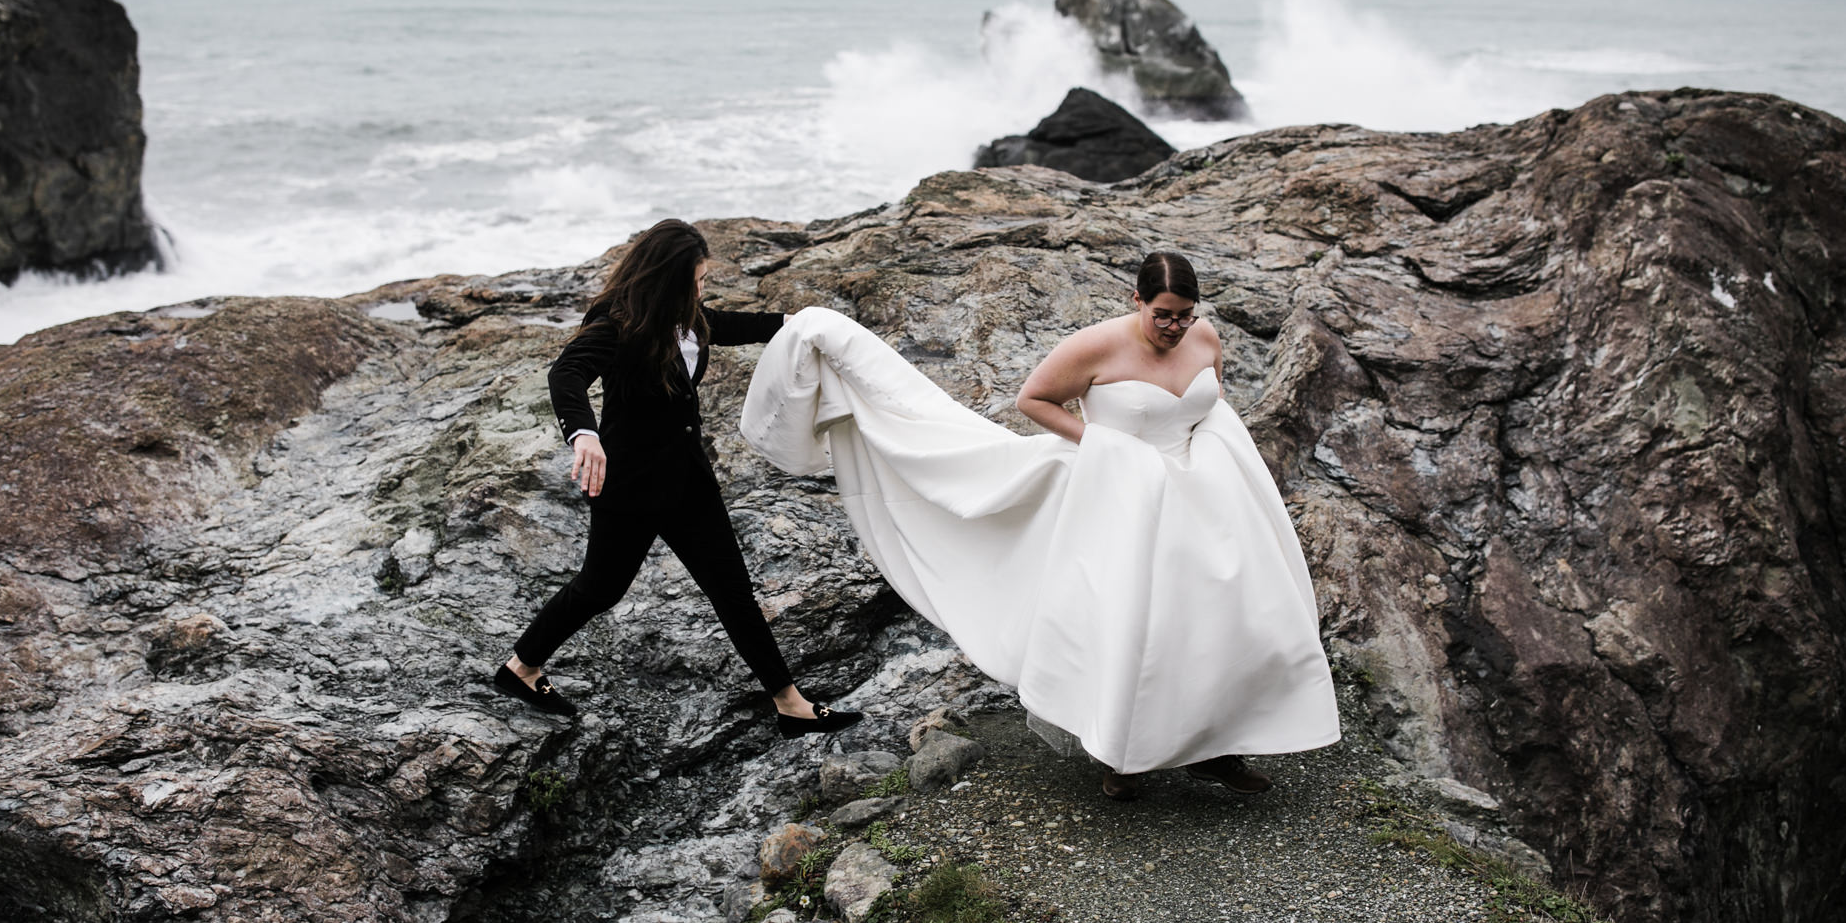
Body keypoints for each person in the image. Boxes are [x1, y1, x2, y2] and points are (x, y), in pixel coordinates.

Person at [739, 250, 1338, 797]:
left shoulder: (1204, 337)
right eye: (1163, 315)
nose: (1175, 328)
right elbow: (1034, 400)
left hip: (1207, 490)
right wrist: (1106, 445)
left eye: (1184, 315)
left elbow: (1211, 398)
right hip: (1126, 491)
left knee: (1222, 613)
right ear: (1137, 301)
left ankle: (1216, 746)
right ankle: (1124, 755)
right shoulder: (1096, 346)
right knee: (1137, 617)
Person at [496, 218, 862, 739]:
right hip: (630, 484)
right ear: (667, 279)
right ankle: (521, 668)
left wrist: (800, 323)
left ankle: (790, 703)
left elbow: (729, 325)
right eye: (695, 280)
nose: (700, 289)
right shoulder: (618, 323)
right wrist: (584, 434)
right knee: (601, 589)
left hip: (688, 477)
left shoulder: (689, 316)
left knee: (731, 588)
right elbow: (567, 373)